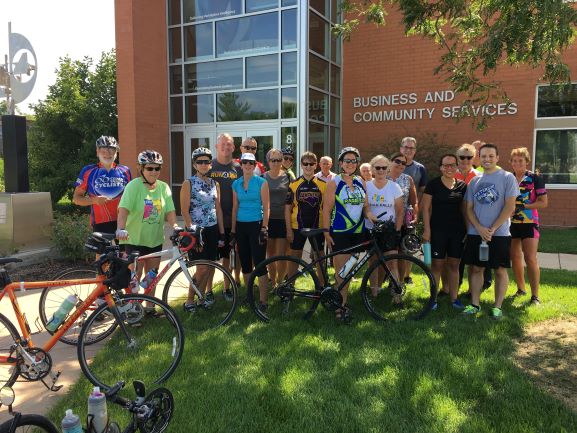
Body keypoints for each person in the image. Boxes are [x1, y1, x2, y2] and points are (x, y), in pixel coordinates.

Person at [462, 144, 519, 320]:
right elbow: (469, 208)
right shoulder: (474, 181)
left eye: (491, 156)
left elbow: (510, 206)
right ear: (479, 158)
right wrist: (479, 228)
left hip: (500, 233)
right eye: (484, 156)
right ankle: (475, 304)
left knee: (500, 269)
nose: (487, 159)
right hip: (476, 233)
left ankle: (497, 306)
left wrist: (493, 228)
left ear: (497, 158)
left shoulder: (507, 177)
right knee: (477, 268)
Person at [322, 147, 377, 321]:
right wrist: (326, 232)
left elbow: (366, 205)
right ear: (340, 163)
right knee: (342, 272)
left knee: (350, 271)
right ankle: (340, 307)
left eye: (354, 161)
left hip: (358, 232)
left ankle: (342, 301)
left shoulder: (361, 180)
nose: (351, 164)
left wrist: (371, 216)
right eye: (347, 161)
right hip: (340, 232)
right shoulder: (334, 182)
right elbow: (326, 209)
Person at [116, 150, 180, 300]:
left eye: (157, 168)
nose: (154, 172)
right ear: (141, 168)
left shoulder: (164, 188)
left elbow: (170, 212)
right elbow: (123, 210)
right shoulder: (133, 186)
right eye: (150, 168)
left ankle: (150, 308)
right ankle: (133, 309)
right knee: (134, 279)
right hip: (134, 240)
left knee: (152, 277)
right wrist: (121, 228)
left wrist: (176, 226)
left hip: (154, 240)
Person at [179, 147, 226, 313]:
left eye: (207, 161)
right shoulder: (188, 183)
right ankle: (190, 300)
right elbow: (184, 210)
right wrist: (192, 232)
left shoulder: (215, 183)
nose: (204, 164)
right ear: (194, 164)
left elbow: (218, 209)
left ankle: (201, 298)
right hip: (197, 231)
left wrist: (221, 233)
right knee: (202, 268)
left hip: (213, 230)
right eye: (200, 162)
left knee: (210, 266)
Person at [421, 154, 467, 309]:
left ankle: (454, 299)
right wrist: (427, 230)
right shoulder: (433, 184)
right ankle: (432, 299)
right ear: (440, 167)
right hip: (437, 230)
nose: (449, 168)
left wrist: (468, 230)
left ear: (457, 167)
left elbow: (465, 210)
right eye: (446, 165)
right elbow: (425, 209)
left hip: (457, 231)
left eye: (452, 165)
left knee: (454, 265)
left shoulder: (462, 186)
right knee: (437, 265)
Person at [231, 153, 270, 311]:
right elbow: (235, 208)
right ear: (241, 165)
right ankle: (249, 297)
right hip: (241, 226)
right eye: (245, 162)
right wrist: (233, 231)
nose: (248, 165)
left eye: (251, 163)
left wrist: (264, 228)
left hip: (257, 225)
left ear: (255, 166)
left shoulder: (262, 182)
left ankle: (263, 301)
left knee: (260, 263)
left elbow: (267, 207)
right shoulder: (236, 184)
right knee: (245, 263)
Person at [510, 147, 548, 305]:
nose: (517, 163)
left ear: (527, 162)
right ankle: (521, 289)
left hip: (529, 222)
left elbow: (543, 202)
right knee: (515, 257)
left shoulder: (535, 178)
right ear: (510, 162)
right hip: (510, 223)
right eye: (514, 161)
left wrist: (522, 207)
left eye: (521, 161)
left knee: (530, 258)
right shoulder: (508, 178)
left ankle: (535, 296)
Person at [73, 136, 132, 235]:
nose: (108, 154)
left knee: (124, 251)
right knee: (102, 251)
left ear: (116, 153)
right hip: (101, 222)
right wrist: (94, 200)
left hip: (124, 220)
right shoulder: (88, 171)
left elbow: (132, 196)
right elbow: (76, 199)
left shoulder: (125, 171)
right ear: (97, 152)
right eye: (104, 150)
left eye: (112, 150)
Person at [364, 155, 404, 299]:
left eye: (384, 168)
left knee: (392, 262)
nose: (381, 170)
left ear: (388, 169)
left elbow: (400, 211)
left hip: (389, 230)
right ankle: (374, 293)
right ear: (372, 169)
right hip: (370, 230)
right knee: (373, 262)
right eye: (377, 167)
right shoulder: (366, 186)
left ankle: (397, 296)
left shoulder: (394, 187)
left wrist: (397, 230)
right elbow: (364, 208)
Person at [285, 151, 326, 282]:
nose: (308, 166)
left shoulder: (323, 185)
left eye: (311, 164)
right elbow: (287, 209)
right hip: (297, 227)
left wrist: (326, 229)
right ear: (301, 165)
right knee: (295, 256)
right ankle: (290, 285)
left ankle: (322, 285)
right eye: (305, 164)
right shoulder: (294, 184)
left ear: (316, 166)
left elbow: (327, 209)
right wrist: (288, 230)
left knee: (320, 256)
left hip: (317, 227)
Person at [210, 133, 243, 287]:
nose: (225, 146)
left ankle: (227, 287)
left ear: (233, 147)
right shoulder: (208, 166)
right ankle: (208, 290)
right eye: (222, 144)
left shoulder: (239, 168)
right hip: (212, 220)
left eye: (228, 143)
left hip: (233, 219)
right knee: (210, 258)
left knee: (230, 255)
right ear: (216, 146)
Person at [387, 152, 418, 283]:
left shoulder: (408, 179)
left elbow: (414, 201)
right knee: (386, 255)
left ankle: (399, 284)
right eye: (397, 161)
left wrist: (415, 215)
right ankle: (380, 284)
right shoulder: (382, 176)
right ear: (390, 162)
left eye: (403, 163)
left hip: (403, 222)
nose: (400, 164)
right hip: (385, 223)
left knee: (401, 255)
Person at [264, 149, 290, 286]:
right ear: (268, 161)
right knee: (271, 254)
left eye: (279, 160)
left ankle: (280, 283)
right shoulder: (263, 177)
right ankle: (272, 281)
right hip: (268, 220)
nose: (276, 163)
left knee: (281, 254)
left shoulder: (288, 177)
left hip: (283, 220)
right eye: (273, 160)